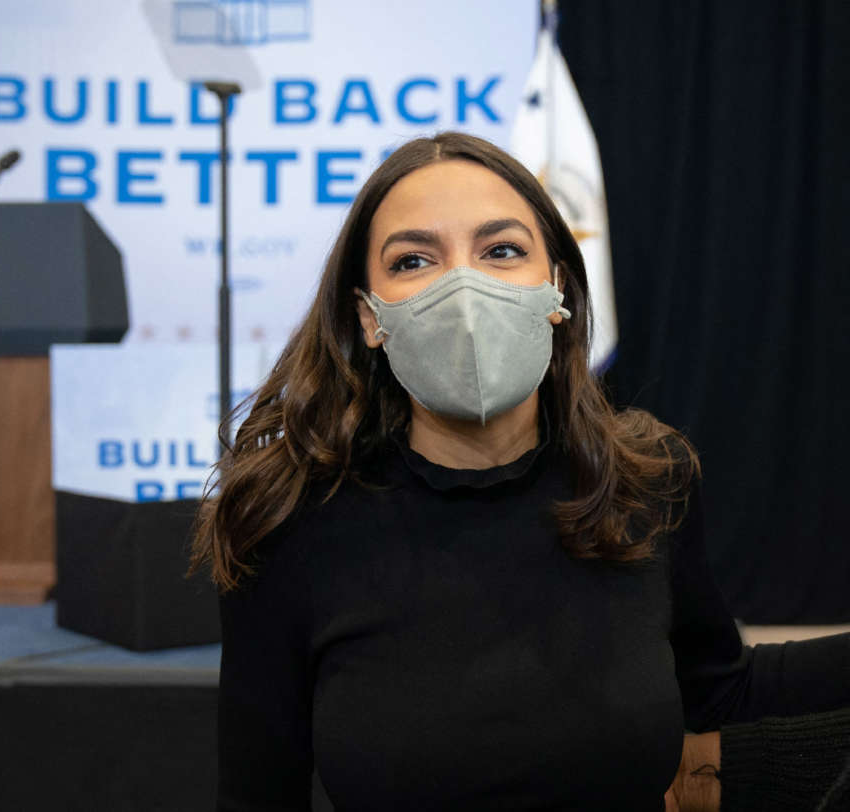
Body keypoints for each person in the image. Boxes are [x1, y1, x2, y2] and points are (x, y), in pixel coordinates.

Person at [189, 131, 850, 811]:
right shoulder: (289, 524)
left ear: (555, 288)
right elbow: (256, 794)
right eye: (415, 260)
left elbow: (723, 689)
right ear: (368, 317)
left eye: (501, 251)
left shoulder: (646, 482)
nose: (464, 289)